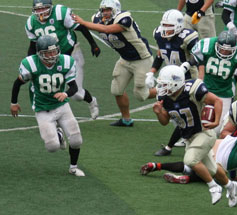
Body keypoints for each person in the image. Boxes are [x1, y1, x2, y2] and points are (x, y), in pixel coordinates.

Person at [154, 30, 237, 156]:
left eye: (228, 50)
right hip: (205, 89)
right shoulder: (207, 45)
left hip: (224, 92)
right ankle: (169, 146)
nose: (225, 52)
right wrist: (180, 72)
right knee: (189, 117)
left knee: (218, 129)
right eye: (222, 49)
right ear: (217, 45)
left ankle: (218, 154)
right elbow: (191, 62)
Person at [152, 65, 237, 207]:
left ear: (176, 83)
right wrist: (158, 112)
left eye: (165, 84)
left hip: (204, 133)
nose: (162, 87)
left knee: (190, 160)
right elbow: (165, 121)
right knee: (212, 169)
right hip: (189, 137)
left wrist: (216, 121)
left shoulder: (192, 89)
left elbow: (217, 100)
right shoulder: (165, 97)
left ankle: (213, 187)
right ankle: (230, 186)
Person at [72, 0, 156, 127]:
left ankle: (165, 91)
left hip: (142, 59)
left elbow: (107, 29)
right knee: (117, 90)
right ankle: (126, 120)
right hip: (124, 59)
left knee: (141, 95)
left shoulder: (124, 19)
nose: (105, 13)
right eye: (103, 10)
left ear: (116, 9)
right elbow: (98, 25)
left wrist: (83, 22)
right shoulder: (97, 18)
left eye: (108, 10)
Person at [10, 35, 85, 176]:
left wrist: (66, 94)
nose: (52, 55)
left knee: (76, 139)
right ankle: (58, 134)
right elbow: (17, 83)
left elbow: (74, 87)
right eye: (48, 53)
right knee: (52, 147)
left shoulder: (65, 61)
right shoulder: (31, 64)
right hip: (42, 108)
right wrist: (14, 102)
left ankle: (73, 167)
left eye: (54, 51)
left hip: (62, 106)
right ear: (39, 53)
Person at [26, 0, 100, 120]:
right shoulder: (31, 23)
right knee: (48, 89)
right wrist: (29, 63)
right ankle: (53, 118)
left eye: (43, 8)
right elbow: (33, 44)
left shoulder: (60, 12)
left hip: (71, 55)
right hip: (49, 60)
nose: (40, 12)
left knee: (77, 94)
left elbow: (81, 27)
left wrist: (93, 44)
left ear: (50, 7)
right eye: (37, 9)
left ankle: (92, 101)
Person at [145, 9, 199, 156]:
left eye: (169, 26)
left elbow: (199, 56)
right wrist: (152, 72)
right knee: (168, 106)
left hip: (188, 78)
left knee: (184, 110)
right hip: (170, 78)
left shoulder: (188, 37)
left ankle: (177, 141)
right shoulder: (159, 34)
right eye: (164, 25)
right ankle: (184, 133)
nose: (165, 29)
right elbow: (160, 55)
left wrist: (189, 69)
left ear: (179, 25)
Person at [141, 131, 237, 189]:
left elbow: (233, 136)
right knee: (222, 178)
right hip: (222, 159)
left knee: (191, 164)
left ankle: (157, 165)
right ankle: (188, 179)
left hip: (216, 143)